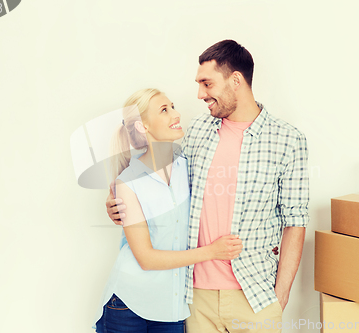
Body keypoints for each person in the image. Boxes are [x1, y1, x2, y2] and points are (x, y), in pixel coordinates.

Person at [107, 40, 309, 333]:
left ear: (235, 80)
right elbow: (152, 172)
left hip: (254, 296)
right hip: (194, 297)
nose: (200, 94)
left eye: (207, 83)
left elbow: (296, 220)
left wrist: (281, 295)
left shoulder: (288, 141)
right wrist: (114, 198)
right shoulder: (198, 131)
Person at [94, 88, 243, 333]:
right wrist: (211, 252)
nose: (176, 114)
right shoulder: (128, 182)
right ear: (143, 127)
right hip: (128, 305)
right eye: (165, 110)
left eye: (172, 106)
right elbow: (146, 258)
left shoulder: (188, 166)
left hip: (171, 308)